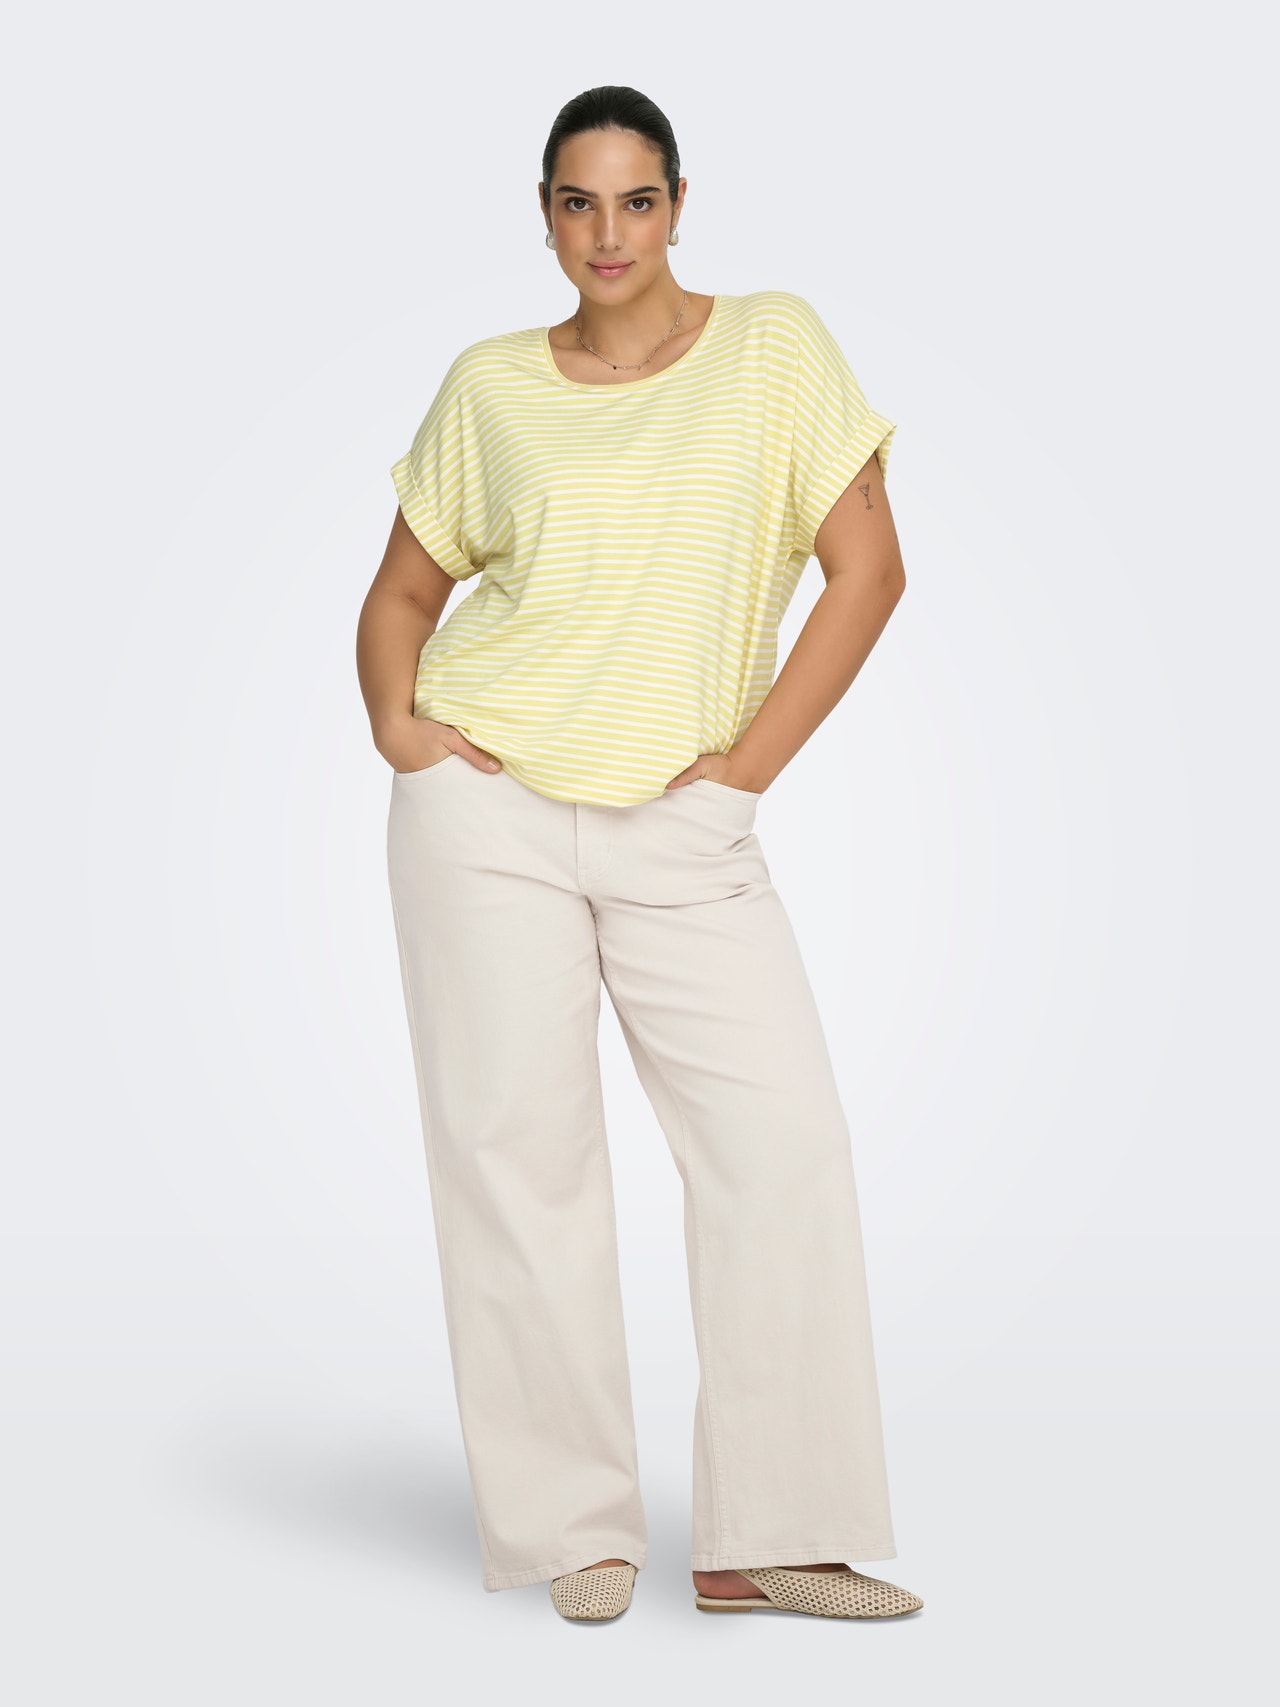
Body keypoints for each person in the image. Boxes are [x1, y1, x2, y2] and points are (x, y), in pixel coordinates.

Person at [356, 84, 924, 1624]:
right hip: (487, 816)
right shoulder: (490, 385)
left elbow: (868, 571)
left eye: (636, 199)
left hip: (689, 822)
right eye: (577, 202)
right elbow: (401, 595)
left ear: (679, 204)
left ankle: (771, 1535)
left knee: (783, 1146)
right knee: (518, 1159)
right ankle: (571, 1529)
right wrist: (401, 728)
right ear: (545, 215)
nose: (607, 232)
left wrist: (743, 775)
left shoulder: (774, 348)